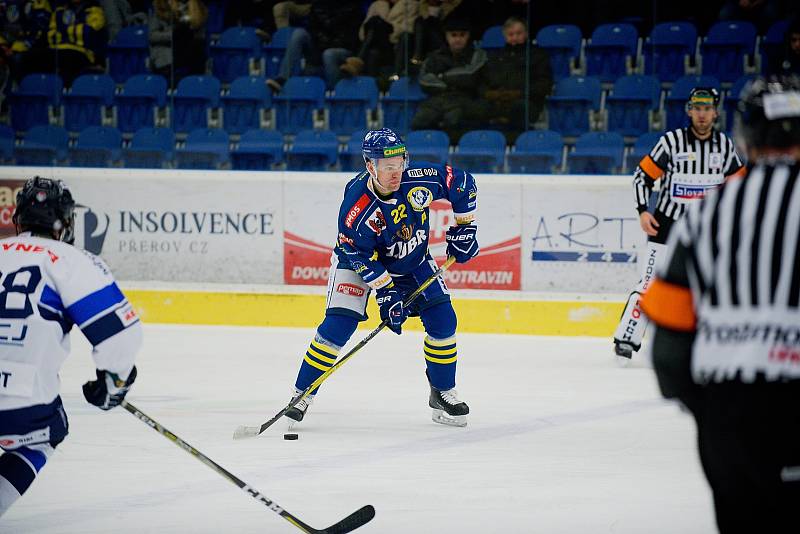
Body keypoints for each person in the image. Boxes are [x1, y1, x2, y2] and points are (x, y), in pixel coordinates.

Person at [641, 76, 800, 534]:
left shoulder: (709, 213)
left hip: (731, 413)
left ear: (747, 135)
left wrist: (713, 415)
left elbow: (668, 347)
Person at [285, 128, 480, 428]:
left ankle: (441, 393)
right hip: (357, 261)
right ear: (370, 166)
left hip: (410, 260)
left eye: (399, 163)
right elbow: (355, 252)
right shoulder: (356, 205)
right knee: (339, 324)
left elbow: (462, 182)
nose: (396, 172)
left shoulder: (418, 177)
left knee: (444, 321)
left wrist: (465, 226)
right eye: (387, 167)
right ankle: (302, 393)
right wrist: (386, 292)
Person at [0, 177, 142, 517]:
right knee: (44, 437)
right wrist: (114, 382)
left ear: (18, 218)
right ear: (64, 223)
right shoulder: (71, 260)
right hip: (19, 399)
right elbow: (121, 335)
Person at [612, 87, 746, 360]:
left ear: (715, 112)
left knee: (713, 286)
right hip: (667, 226)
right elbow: (642, 177)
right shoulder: (670, 142)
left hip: (710, 230)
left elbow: (740, 184)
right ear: (689, 110)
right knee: (649, 284)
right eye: (697, 108)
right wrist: (642, 211)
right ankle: (627, 339)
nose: (702, 115)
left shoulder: (725, 146)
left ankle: (713, 342)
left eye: (707, 109)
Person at [476, 16, 552, 143]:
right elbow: (482, 81)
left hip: (527, 101)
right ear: (505, 36)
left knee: (518, 108)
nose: (515, 37)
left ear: (526, 33)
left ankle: (514, 144)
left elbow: (544, 84)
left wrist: (519, 93)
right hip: (497, 100)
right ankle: (480, 144)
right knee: (474, 107)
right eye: (511, 34)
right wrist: (489, 94)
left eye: (518, 33)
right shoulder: (495, 57)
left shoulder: (538, 55)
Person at [411, 17, 487, 142]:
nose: (457, 39)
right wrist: (450, 84)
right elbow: (424, 80)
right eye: (453, 35)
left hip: (466, 99)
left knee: (453, 119)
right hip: (438, 98)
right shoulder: (435, 57)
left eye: (462, 35)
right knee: (419, 120)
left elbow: (470, 75)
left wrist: (442, 76)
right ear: (447, 36)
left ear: (468, 36)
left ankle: (452, 156)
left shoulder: (478, 54)